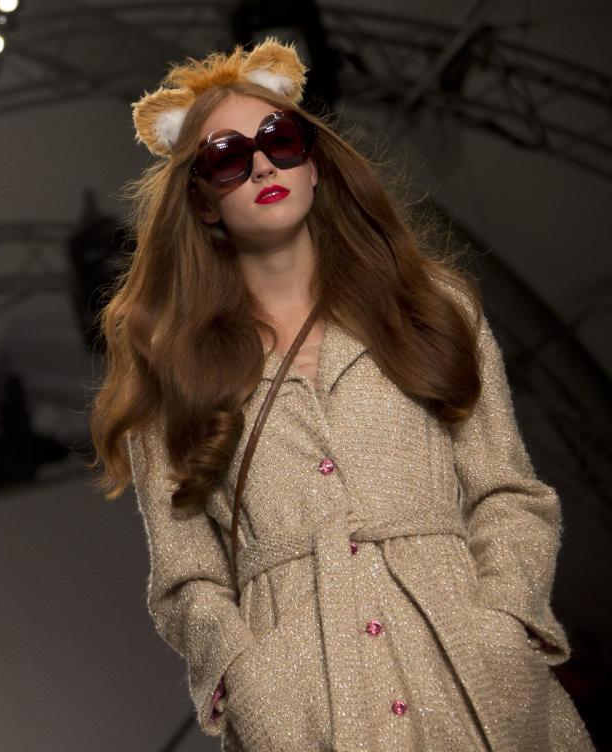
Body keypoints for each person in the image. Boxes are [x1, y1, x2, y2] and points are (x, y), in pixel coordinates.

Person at [86, 38, 595, 751]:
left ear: (314, 163)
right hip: (306, 709)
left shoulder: (431, 308)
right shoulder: (172, 375)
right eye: (228, 158)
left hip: (480, 688)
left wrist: (504, 625)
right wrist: (252, 683)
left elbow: (507, 492)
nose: (261, 162)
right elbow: (185, 579)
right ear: (203, 202)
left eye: (279, 140)